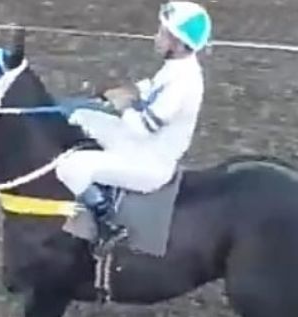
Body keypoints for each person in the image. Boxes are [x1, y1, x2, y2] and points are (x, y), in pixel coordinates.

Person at [55, 1, 212, 248]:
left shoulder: (183, 83)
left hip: (150, 163)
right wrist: (121, 91)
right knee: (80, 116)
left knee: (70, 167)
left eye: (163, 34)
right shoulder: (178, 67)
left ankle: (106, 223)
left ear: (179, 44)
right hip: (143, 147)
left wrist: (122, 105)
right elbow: (150, 87)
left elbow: (143, 126)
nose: (156, 37)